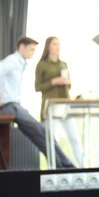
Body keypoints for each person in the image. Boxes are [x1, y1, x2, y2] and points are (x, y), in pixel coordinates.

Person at [0, 37, 75, 169]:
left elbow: (0, 79)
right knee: (42, 131)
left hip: (14, 106)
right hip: (9, 107)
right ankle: (66, 166)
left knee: (41, 134)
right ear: (22, 47)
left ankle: (62, 165)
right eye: (31, 49)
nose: (32, 53)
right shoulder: (12, 61)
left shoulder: (20, 63)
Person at [35, 36, 84, 167]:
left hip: (66, 105)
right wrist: (53, 82)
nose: (58, 46)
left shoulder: (64, 64)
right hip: (50, 107)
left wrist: (67, 82)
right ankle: (52, 168)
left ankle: (83, 166)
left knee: (75, 138)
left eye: (59, 44)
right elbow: (37, 87)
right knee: (50, 140)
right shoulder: (42, 65)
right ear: (48, 47)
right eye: (55, 44)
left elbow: (69, 86)